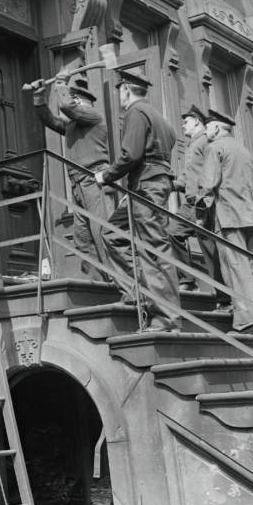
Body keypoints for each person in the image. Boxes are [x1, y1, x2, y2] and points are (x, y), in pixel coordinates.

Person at [93, 69, 181, 332]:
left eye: (120, 90)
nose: (119, 95)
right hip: (153, 184)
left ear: (127, 90)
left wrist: (104, 175)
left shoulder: (135, 112)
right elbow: (171, 142)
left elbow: (130, 154)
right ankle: (139, 293)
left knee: (153, 249)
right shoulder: (160, 118)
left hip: (145, 186)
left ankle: (166, 318)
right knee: (112, 234)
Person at [196, 109, 253, 334]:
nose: (206, 132)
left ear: (217, 128)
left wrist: (200, 216)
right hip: (252, 217)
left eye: (208, 128)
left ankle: (248, 321)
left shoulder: (214, 147)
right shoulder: (246, 152)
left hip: (229, 217)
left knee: (237, 269)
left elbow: (207, 184)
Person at [32, 73, 111, 281]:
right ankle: (97, 282)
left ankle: (119, 283)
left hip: (93, 180)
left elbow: (66, 108)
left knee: (101, 232)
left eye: (68, 101)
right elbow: (49, 119)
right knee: (83, 237)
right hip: (78, 183)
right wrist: (39, 97)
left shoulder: (93, 117)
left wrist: (59, 84)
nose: (62, 108)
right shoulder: (72, 127)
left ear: (79, 103)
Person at [169, 104, 215, 292]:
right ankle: (187, 279)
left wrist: (204, 201)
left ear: (197, 121)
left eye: (186, 122)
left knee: (210, 249)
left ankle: (224, 298)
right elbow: (189, 174)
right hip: (189, 205)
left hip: (202, 204)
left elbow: (210, 173)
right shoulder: (193, 143)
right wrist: (172, 185)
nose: (183, 126)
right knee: (173, 231)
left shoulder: (206, 141)